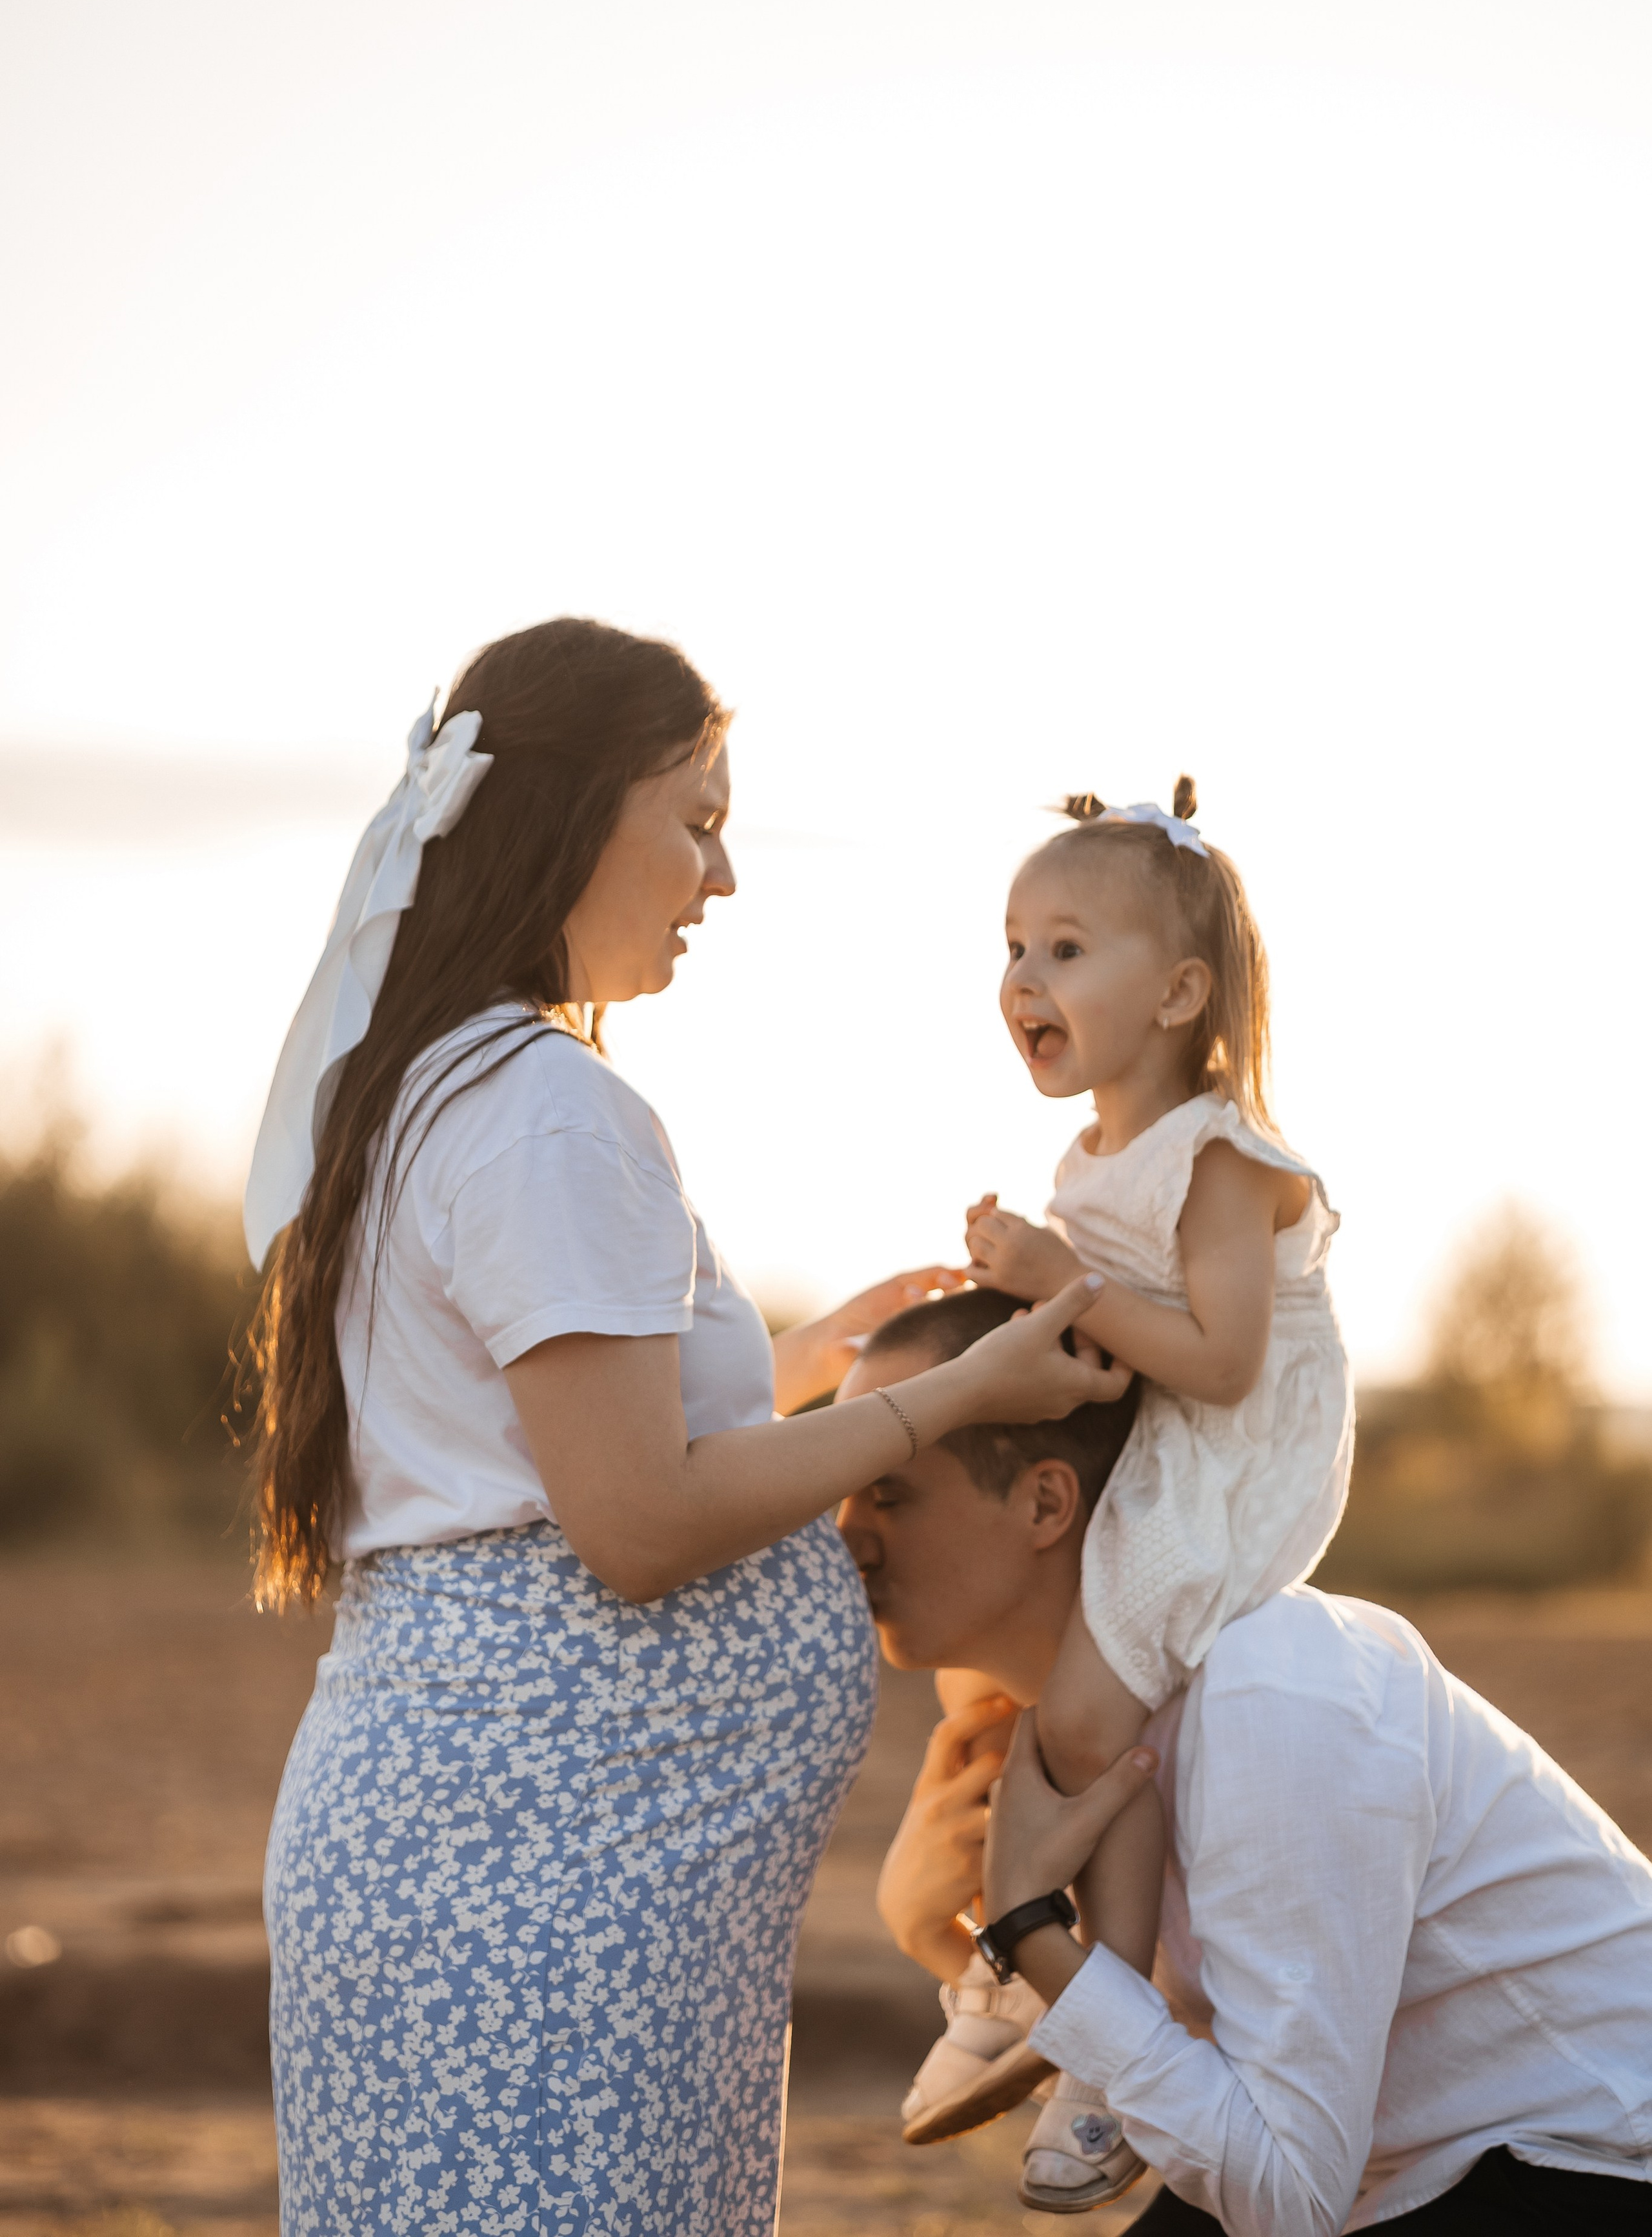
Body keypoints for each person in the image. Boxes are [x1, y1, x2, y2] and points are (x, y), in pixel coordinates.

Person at [243, 616, 1127, 2237]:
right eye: (697, 818)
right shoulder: (543, 1111)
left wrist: (807, 1355)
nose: (720, 877)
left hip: (512, 1860)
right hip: (538, 1887)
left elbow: (536, 1446)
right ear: (575, 815)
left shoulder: (434, 1084)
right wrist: (958, 1395)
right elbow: (633, 1523)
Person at [840, 1291, 1652, 2232]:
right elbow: (1181, 2088)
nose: (843, 1532)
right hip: (1412, 2165)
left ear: (1046, 1502)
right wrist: (936, 1927)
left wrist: (1027, 1927)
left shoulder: (1268, 1691)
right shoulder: (1064, 1727)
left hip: (1597, 2159)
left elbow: (1285, 2198)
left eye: (888, 1491)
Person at [957, 781, 1355, 2205]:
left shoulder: (1222, 1160)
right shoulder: (1095, 1163)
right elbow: (1110, 1356)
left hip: (1232, 1468)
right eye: (1012, 946)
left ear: (1179, 992)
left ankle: (1091, 2033)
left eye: (1065, 948)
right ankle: (1078, 2014)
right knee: (1055, 1703)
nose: (1021, 977)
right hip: (1163, 1448)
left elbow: (1224, 1360)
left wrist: (1048, 1283)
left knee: (1076, 1715)